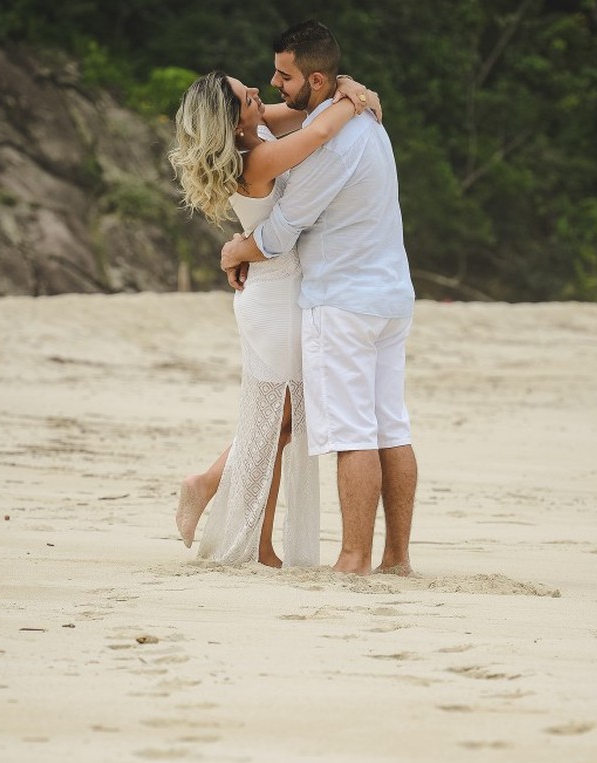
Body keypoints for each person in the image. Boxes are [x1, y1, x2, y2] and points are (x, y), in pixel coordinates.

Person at [221, 21, 417, 576]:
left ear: (314, 77)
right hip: (392, 295)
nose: (273, 84)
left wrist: (235, 252)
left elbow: (281, 233)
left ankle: (354, 559)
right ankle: (396, 559)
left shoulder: (330, 141)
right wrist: (351, 90)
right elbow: (308, 120)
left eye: (283, 75)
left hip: (342, 300)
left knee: (354, 434)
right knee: (391, 428)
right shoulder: (365, 121)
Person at [169, 70, 379, 567]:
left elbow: (309, 109)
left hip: (281, 290)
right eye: (247, 96)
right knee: (277, 421)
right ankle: (215, 496)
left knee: (278, 424)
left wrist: (343, 86)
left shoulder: (258, 128)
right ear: (234, 118)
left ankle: (248, 531)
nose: (259, 93)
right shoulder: (257, 158)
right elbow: (321, 130)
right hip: (275, 297)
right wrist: (358, 99)